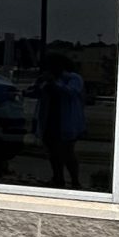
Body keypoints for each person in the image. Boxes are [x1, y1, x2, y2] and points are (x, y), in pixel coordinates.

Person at [36, 51, 87, 187]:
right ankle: (58, 178)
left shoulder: (73, 78)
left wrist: (52, 83)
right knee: (53, 152)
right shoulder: (48, 80)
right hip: (50, 119)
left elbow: (71, 92)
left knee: (67, 151)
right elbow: (38, 94)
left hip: (67, 120)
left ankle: (75, 180)